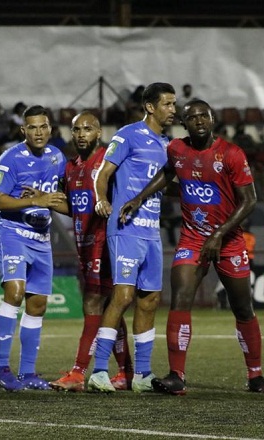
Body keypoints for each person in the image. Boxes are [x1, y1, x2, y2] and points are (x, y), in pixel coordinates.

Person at [121, 99, 264, 395]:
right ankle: (176, 375)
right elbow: (167, 174)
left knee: (243, 308)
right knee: (180, 299)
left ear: (212, 118)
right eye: (192, 118)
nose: (199, 121)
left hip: (228, 241)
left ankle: (255, 375)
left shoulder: (231, 153)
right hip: (192, 239)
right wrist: (140, 197)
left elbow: (249, 201)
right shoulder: (177, 149)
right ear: (184, 123)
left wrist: (219, 234)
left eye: (204, 115)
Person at [87, 82, 177, 393]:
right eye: (167, 104)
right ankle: (99, 370)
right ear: (150, 107)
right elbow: (103, 173)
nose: (173, 110)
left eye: (174, 104)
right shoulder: (128, 134)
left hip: (151, 230)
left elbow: (164, 184)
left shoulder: (167, 144)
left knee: (150, 300)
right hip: (125, 227)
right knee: (123, 296)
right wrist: (102, 199)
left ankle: (142, 374)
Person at [45, 111, 133, 392]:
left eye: (87, 129)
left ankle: (78, 372)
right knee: (110, 310)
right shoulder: (71, 167)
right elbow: (75, 208)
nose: (81, 134)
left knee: (92, 304)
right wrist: (44, 200)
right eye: (76, 130)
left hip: (105, 244)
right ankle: (126, 372)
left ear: (98, 132)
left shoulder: (109, 161)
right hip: (84, 244)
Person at [0, 105, 67, 391]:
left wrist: (51, 200)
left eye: (43, 126)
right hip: (12, 233)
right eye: (32, 127)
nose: (38, 132)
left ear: (50, 129)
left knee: (38, 304)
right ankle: (2, 368)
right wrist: (36, 201)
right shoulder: (10, 158)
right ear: (23, 130)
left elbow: (59, 197)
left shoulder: (57, 157)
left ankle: (28, 373)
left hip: (41, 239)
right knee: (15, 292)